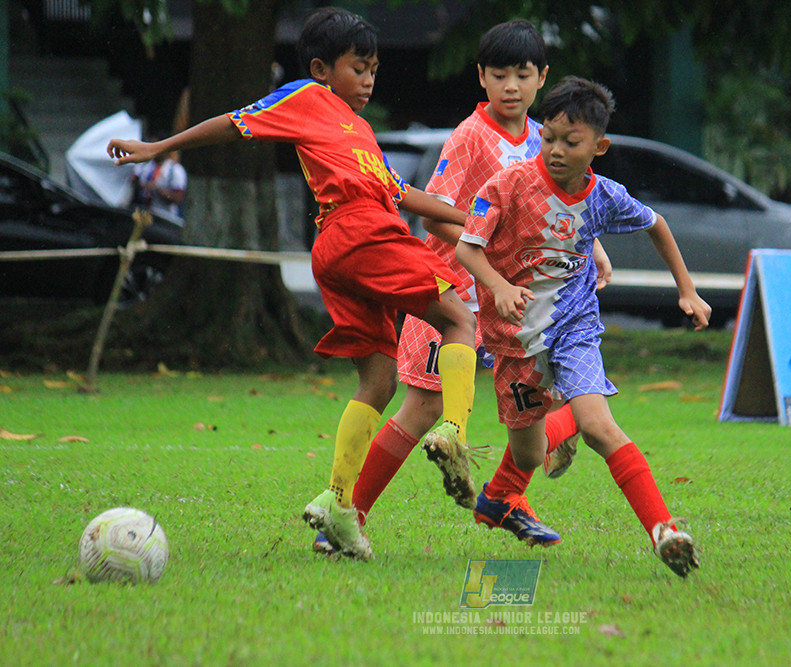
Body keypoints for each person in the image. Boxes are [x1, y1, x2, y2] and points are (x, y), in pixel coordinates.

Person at [106, 7, 480, 561]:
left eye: (375, 69)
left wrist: (475, 220)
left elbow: (403, 193)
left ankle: (339, 504)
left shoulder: (361, 131)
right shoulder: (307, 95)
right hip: (360, 230)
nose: (369, 79)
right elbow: (233, 121)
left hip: (338, 248)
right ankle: (454, 432)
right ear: (321, 69)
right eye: (359, 67)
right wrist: (160, 148)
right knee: (459, 319)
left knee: (378, 379)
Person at [312, 18, 612, 555]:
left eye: (522, 75)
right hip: (453, 291)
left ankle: (510, 494)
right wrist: (490, 259)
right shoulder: (470, 136)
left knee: (539, 400)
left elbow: (562, 207)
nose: (511, 87)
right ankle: (344, 520)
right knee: (422, 410)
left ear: (542, 78)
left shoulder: (544, 141)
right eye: (499, 75)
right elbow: (434, 215)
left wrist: (592, 247)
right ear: (481, 77)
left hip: (516, 303)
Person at [455, 76, 712, 577]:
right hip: (515, 339)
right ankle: (503, 493)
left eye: (570, 142)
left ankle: (663, 530)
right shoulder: (508, 185)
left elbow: (656, 224)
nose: (555, 150)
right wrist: (499, 287)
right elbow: (467, 248)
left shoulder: (605, 197)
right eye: (548, 137)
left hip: (574, 327)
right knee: (529, 453)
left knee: (600, 427)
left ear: (599, 146)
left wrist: (687, 290)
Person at [130, 142, 187, 221]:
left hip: (164, 217)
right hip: (141, 212)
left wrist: (157, 190)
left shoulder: (175, 170)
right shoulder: (144, 165)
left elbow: (177, 198)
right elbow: (133, 181)